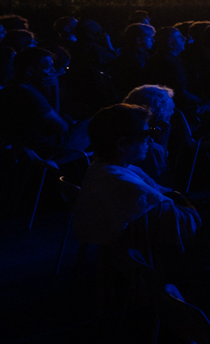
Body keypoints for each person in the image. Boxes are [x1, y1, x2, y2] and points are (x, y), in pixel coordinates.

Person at [71, 103, 202, 256]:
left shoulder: (103, 170)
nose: (150, 141)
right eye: (145, 135)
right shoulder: (130, 188)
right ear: (122, 144)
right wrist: (181, 199)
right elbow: (186, 226)